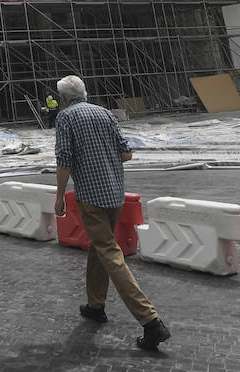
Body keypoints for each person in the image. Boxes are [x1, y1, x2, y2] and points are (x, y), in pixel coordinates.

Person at [52, 75, 171, 351]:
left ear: (64, 98)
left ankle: (150, 321)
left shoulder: (66, 117)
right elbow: (126, 154)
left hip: (91, 196)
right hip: (115, 194)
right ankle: (96, 305)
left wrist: (59, 196)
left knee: (110, 253)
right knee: (99, 246)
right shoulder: (105, 113)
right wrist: (102, 155)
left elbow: (64, 160)